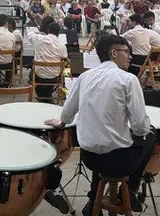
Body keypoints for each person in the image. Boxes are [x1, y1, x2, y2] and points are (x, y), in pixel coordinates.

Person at [45, 35, 153, 214]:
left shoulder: (85, 76)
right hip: (120, 161)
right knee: (150, 134)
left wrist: (62, 122)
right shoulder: (128, 79)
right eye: (126, 52)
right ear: (113, 53)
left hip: (89, 158)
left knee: (104, 138)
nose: (130, 56)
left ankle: (93, 199)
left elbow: (66, 113)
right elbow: (140, 127)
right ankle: (130, 189)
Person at [32, 22, 68, 102]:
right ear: (58, 33)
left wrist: (39, 33)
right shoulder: (61, 45)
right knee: (66, 64)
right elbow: (65, 58)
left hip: (39, 75)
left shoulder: (39, 39)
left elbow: (30, 34)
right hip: (54, 77)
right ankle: (48, 98)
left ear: (48, 30)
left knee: (34, 68)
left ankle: (44, 99)